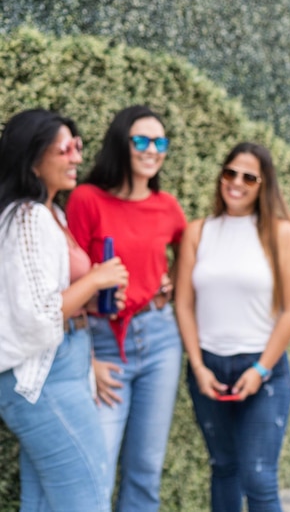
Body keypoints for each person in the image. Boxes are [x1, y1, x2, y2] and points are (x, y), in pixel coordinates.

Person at [0, 108, 128, 512]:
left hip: (63, 367)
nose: (76, 157)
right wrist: (95, 279)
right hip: (42, 378)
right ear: (33, 158)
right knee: (86, 498)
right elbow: (38, 316)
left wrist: (91, 298)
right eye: (65, 148)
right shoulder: (28, 217)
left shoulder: (52, 213)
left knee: (42, 502)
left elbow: (44, 298)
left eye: (79, 146)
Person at [175, 141, 290, 512]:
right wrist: (198, 366)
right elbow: (184, 303)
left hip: (262, 369)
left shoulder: (280, 233)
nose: (236, 182)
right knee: (223, 469)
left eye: (248, 176)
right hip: (208, 369)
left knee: (258, 476)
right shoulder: (198, 232)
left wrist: (261, 368)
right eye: (229, 172)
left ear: (263, 183)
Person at [66, 104, 187, 512]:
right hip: (103, 344)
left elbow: (186, 263)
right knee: (95, 469)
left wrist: (166, 280)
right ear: (122, 142)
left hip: (160, 339)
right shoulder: (86, 200)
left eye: (160, 142)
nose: (152, 149)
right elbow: (67, 280)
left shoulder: (168, 207)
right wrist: (89, 360)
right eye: (142, 140)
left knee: (145, 471)